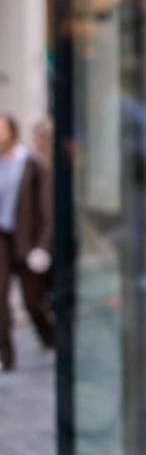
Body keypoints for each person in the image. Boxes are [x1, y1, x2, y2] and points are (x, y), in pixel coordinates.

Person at [0, 114, 55, 371]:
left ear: (12, 131)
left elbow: (47, 210)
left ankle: (52, 339)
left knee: (33, 301)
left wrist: (43, 245)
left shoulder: (33, 164)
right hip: (2, 239)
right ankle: (6, 356)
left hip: (28, 241)